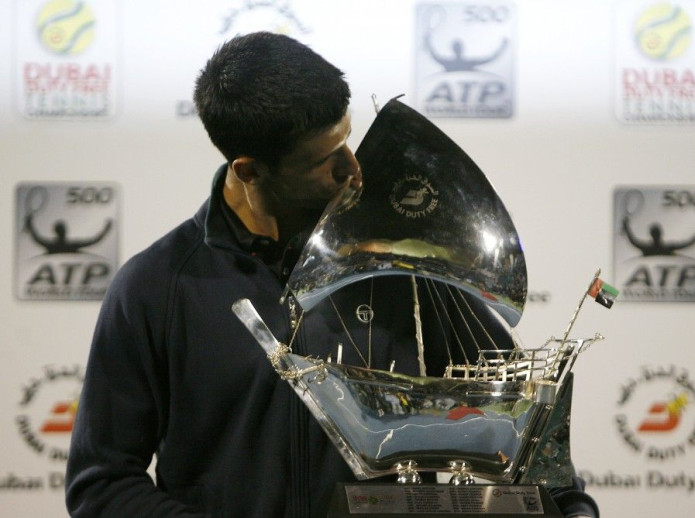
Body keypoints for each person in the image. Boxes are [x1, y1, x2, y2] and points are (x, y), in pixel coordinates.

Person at [65, 32, 598, 517]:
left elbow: (520, 423)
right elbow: (102, 486)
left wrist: (571, 507)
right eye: (325, 159)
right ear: (249, 171)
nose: (353, 168)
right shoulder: (155, 288)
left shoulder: (402, 263)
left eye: (348, 138)